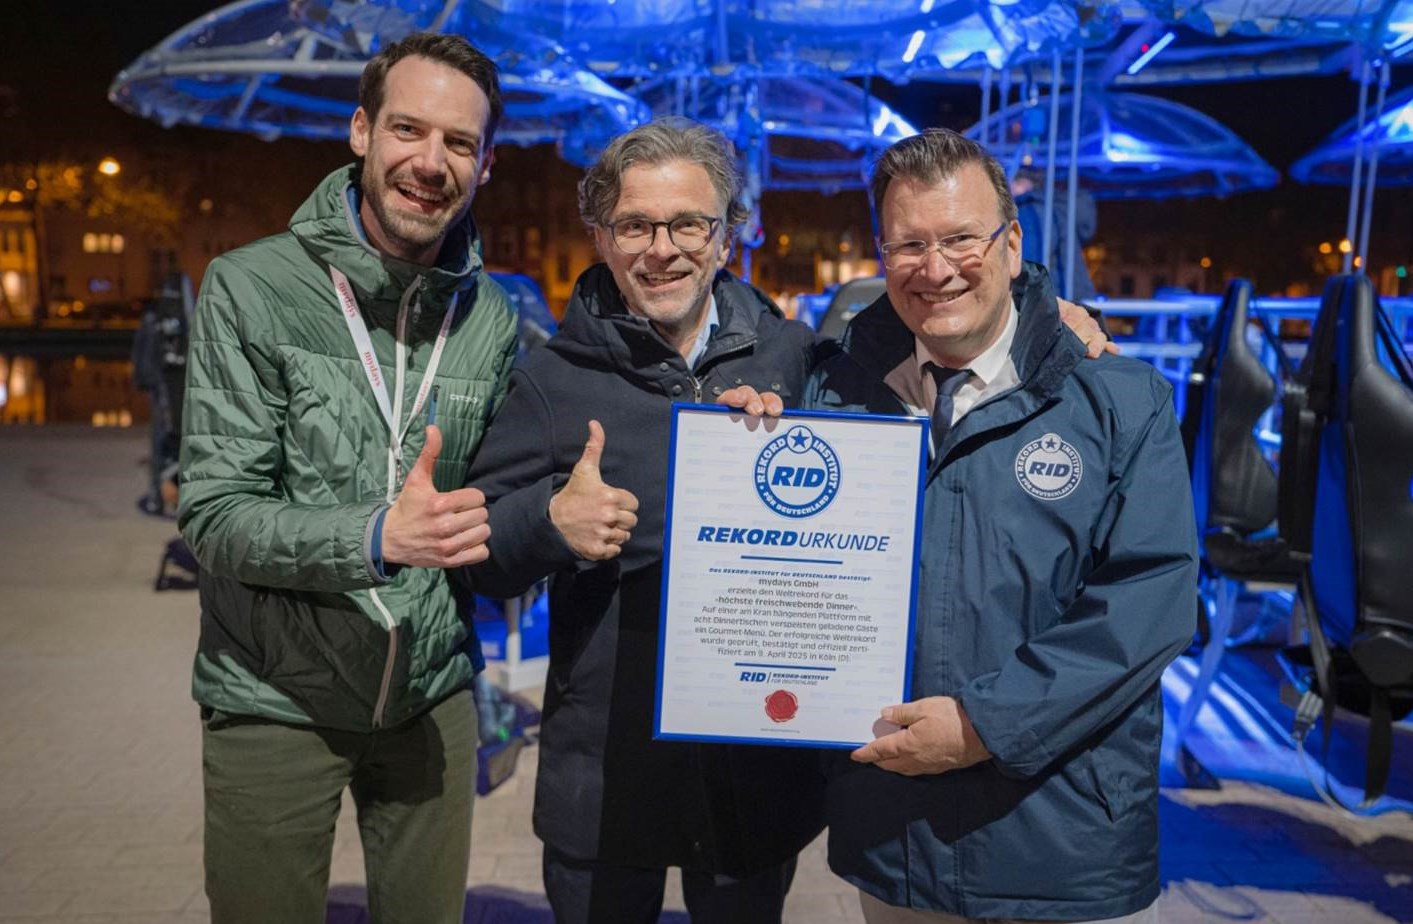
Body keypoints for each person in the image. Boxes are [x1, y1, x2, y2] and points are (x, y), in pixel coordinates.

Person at [463, 118, 1110, 924]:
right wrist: (548, 522)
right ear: (601, 235)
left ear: (727, 236)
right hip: (606, 772)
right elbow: (478, 552)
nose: (661, 249)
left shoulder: (791, 354)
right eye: (634, 225)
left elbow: (937, 322)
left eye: (688, 224)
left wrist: (1049, 317)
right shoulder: (553, 380)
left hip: (751, 774)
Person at [802, 129, 1197, 922]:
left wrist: (983, 726)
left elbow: (1147, 602)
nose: (936, 267)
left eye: (959, 238)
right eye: (909, 243)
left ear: (1011, 246)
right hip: (895, 836)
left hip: (1062, 843)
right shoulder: (832, 399)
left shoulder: (1118, 400)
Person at [177, 33, 518, 924]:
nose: (431, 161)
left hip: (429, 697)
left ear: (485, 166)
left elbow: (534, 471)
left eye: (459, 143)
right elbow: (213, 516)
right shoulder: (250, 287)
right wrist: (377, 537)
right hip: (273, 697)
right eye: (409, 129)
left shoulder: (493, 315)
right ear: (361, 131)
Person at [1011, 167, 1098, 301]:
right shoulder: (1057, 208)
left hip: (1050, 299)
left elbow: (1028, 258)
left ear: (1023, 184)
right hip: (1075, 293)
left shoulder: (1029, 211)